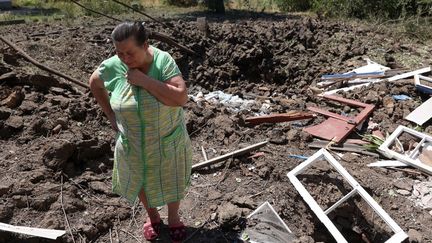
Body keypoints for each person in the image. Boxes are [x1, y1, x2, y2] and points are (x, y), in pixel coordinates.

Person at [88, 21, 192, 242]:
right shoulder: (113, 66)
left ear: (145, 45)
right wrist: (111, 115)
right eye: (119, 52)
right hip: (132, 139)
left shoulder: (163, 62)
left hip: (167, 137)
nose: (125, 59)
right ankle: (153, 217)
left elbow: (180, 97)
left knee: (172, 175)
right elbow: (94, 83)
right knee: (141, 177)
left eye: (130, 53)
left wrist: (144, 80)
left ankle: (173, 218)